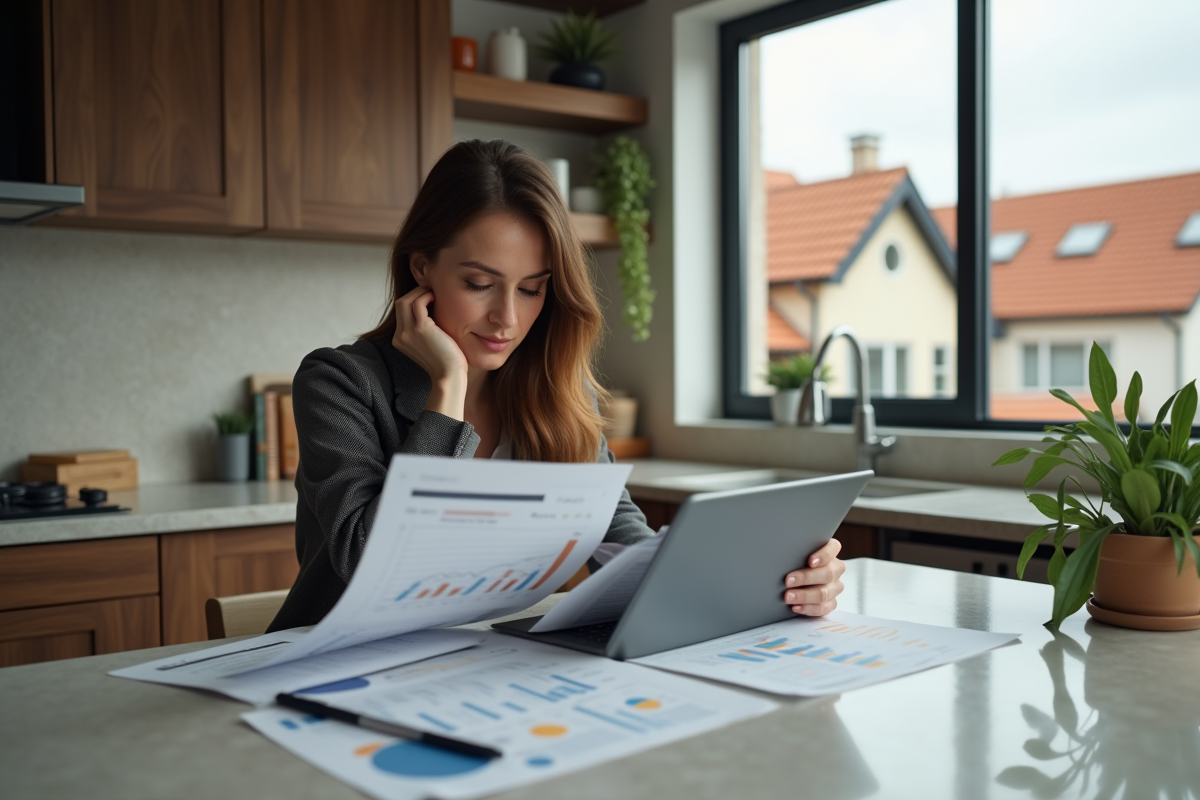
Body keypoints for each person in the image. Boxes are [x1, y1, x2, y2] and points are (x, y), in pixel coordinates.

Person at [268, 139, 845, 632]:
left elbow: (621, 541)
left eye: (531, 288)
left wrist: (775, 583)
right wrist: (448, 387)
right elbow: (371, 559)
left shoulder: (556, 387)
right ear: (421, 269)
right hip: (338, 674)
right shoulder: (339, 381)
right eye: (479, 283)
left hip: (484, 667)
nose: (507, 320)